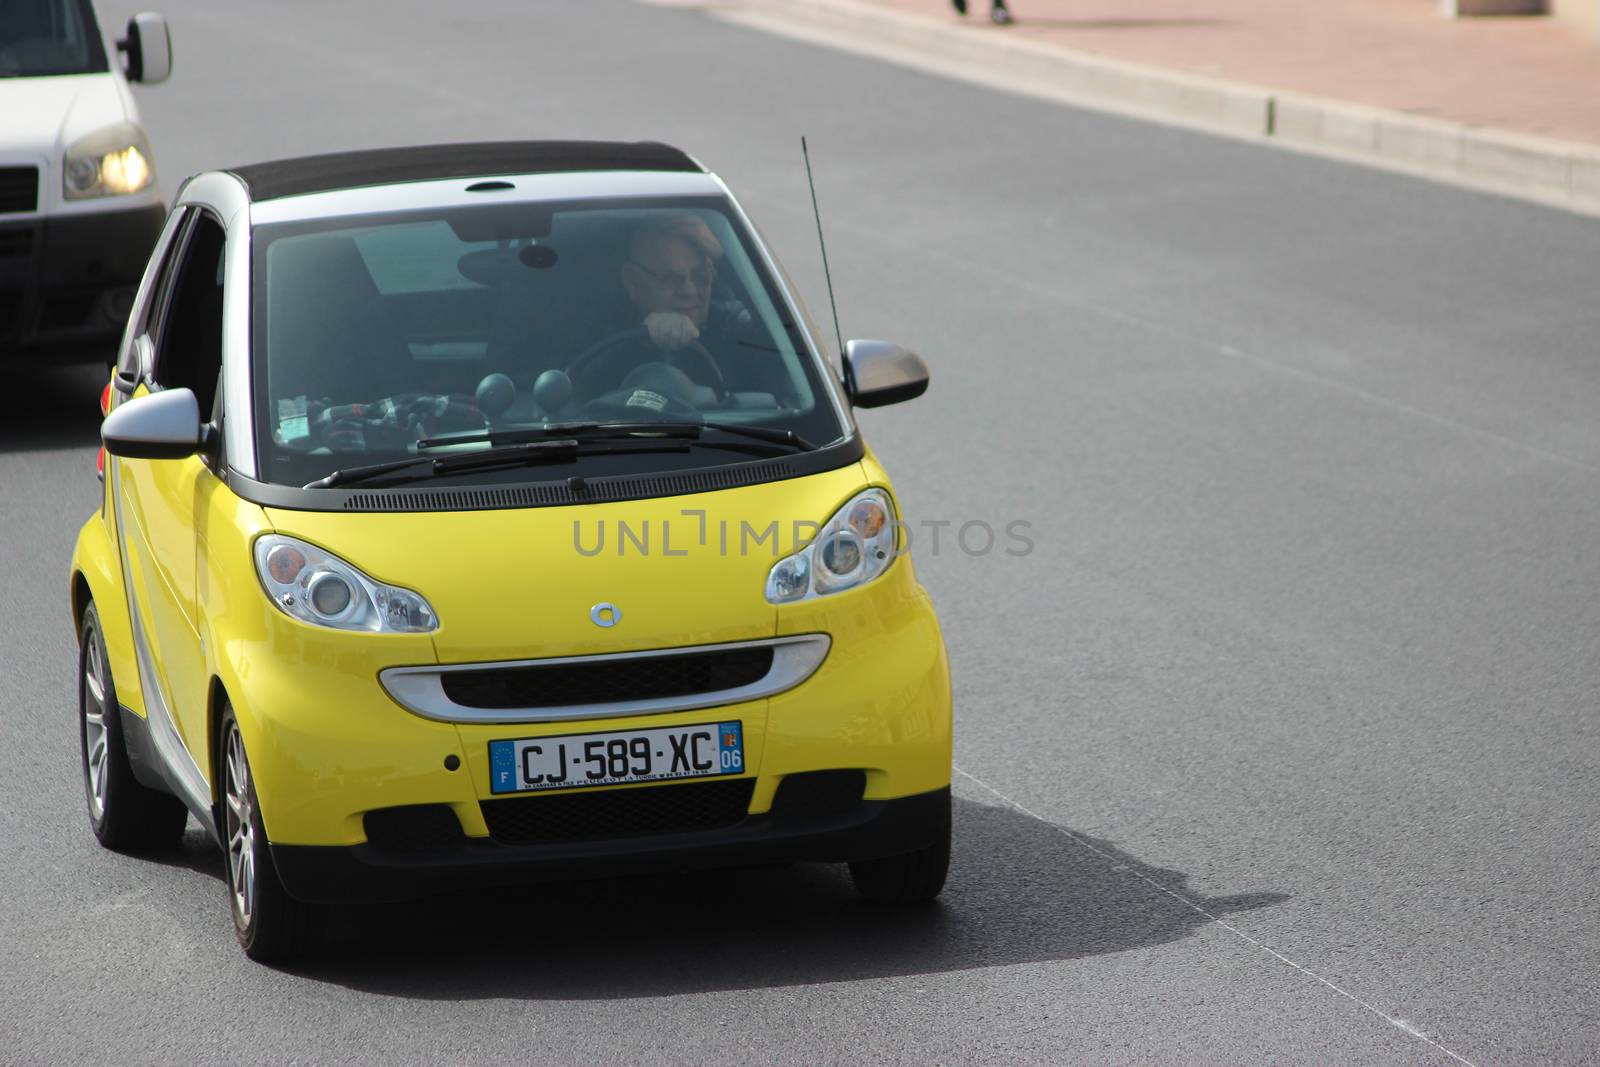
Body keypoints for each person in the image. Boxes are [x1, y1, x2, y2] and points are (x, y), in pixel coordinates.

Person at [613, 215, 790, 403]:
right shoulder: (603, 339)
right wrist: (645, 342)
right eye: (670, 278)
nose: (689, 290)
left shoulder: (736, 329)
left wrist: (725, 258)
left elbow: (791, 344)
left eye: (702, 274)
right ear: (632, 282)